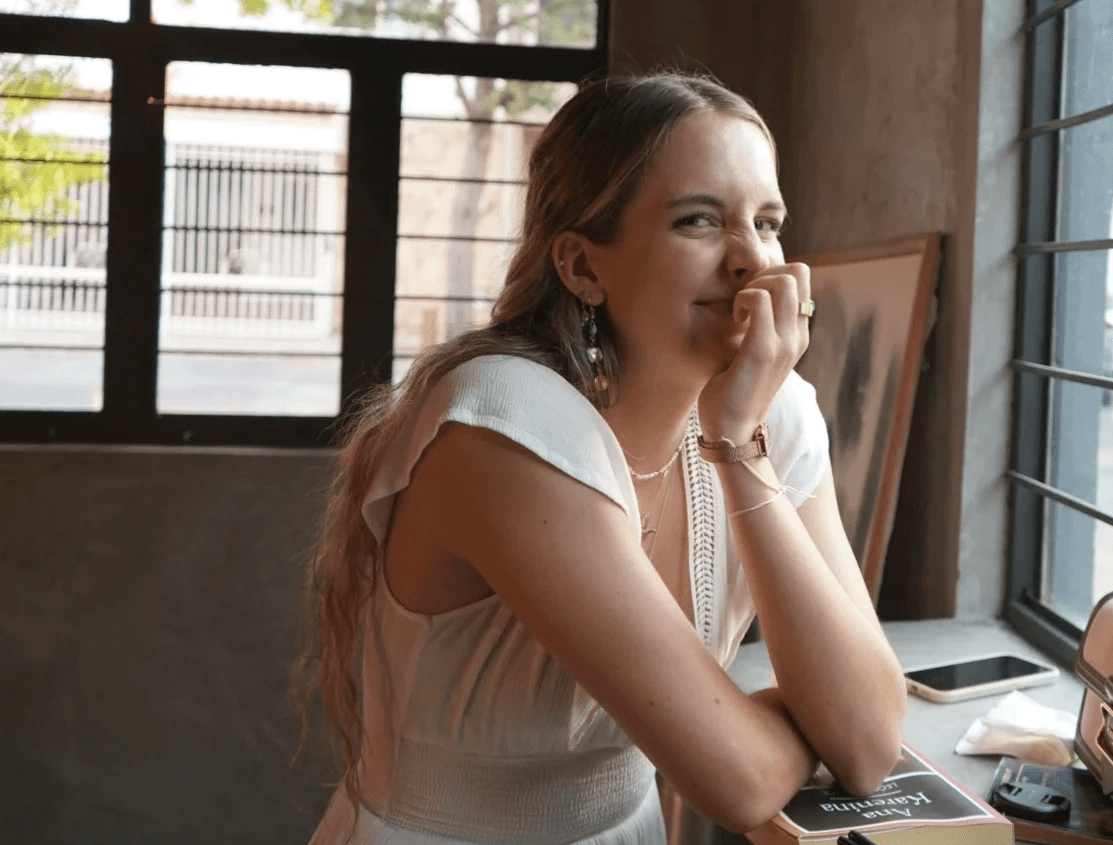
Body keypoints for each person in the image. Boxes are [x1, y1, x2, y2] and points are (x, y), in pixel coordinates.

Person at [296, 71, 907, 845]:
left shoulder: (766, 416)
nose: (754, 262)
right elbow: (741, 781)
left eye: (768, 221)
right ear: (584, 266)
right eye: (698, 221)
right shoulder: (505, 423)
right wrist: (794, 720)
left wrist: (736, 441)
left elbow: (867, 742)